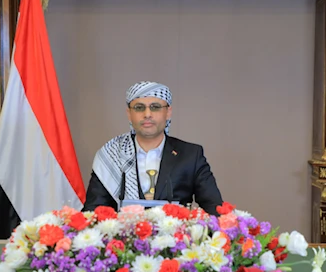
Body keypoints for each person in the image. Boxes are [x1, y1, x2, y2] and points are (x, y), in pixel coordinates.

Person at [82, 81, 223, 214]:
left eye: (155, 107)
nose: (147, 114)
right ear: (129, 114)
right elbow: (93, 212)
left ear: (168, 112)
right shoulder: (111, 155)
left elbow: (215, 209)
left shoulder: (190, 155)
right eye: (139, 108)